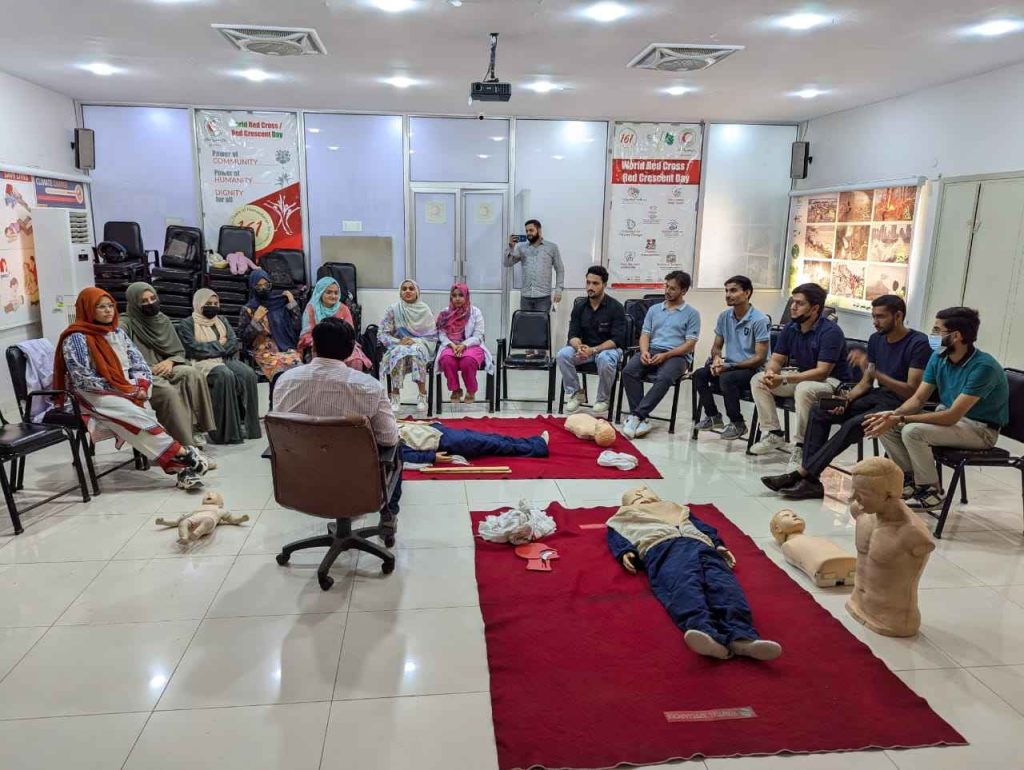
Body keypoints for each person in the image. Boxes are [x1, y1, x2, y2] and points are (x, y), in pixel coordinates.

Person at [761, 295, 931, 499]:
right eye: (873, 317)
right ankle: (810, 481)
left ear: (898, 316)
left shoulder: (918, 343)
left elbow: (911, 391)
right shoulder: (877, 339)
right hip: (878, 396)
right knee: (820, 409)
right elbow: (866, 382)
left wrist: (877, 374)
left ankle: (803, 474)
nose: (875, 322)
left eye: (881, 317)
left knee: (853, 425)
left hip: (902, 404)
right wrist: (847, 399)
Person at [53, 288, 211, 489]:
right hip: (92, 394)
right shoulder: (76, 338)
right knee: (134, 416)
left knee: (135, 418)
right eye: (101, 307)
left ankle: (182, 465)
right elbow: (83, 379)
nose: (108, 311)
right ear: (87, 309)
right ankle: (183, 455)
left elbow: (139, 363)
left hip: (125, 388)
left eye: (110, 306)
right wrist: (126, 391)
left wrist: (141, 384)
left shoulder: (117, 332)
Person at [863, 306, 1009, 511]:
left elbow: (952, 416)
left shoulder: (983, 367)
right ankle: (910, 481)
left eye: (936, 330)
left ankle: (931, 492)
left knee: (913, 431)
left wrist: (903, 419)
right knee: (884, 422)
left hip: (980, 429)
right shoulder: (939, 357)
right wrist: (893, 415)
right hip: (950, 420)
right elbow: (919, 398)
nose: (931, 335)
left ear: (956, 336)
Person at [273, 317, 402, 525]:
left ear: (313, 346)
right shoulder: (368, 387)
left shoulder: (285, 381)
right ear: (352, 350)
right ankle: (388, 515)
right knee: (397, 445)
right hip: (356, 484)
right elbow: (388, 439)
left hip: (300, 482)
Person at [748, 283, 853, 457]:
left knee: (804, 389)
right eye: (792, 302)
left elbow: (822, 372)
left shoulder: (830, 332)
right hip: (803, 376)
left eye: (799, 303)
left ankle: (802, 446)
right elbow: (776, 359)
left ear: (815, 308)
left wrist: (784, 379)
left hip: (833, 384)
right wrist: (770, 373)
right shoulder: (791, 327)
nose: (793, 307)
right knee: (758, 380)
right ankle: (774, 433)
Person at [121, 282, 216, 448]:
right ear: (134, 303)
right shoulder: (127, 323)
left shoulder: (162, 320)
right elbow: (121, 354)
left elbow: (178, 352)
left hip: (167, 365)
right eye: (144, 301)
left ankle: (196, 428)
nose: (150, 303)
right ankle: (181, 444)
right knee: (169, 391)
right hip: (143, 373)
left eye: (153, 298)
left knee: (192, 374)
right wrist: (149, 369)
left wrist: (170, 361)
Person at [621, 271, 701, 439]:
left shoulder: (692, 314)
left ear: (684, 291)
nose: (667, 291)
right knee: (629, 371)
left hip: (678, 355)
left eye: (673, 288)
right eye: (667, 286)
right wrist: (644, 352)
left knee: (664, 377)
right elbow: (645, 335)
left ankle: (636, 416)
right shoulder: (654, 309)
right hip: (652, 350)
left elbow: (690, 344)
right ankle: (642, 419)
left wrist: (666, 356)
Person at [178, 288, 262, 445]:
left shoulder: (222, 320)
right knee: (224, 375)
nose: (213, 306)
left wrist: (214, 347)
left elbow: (232, 343)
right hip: (202, 363)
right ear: (198, 304)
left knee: (249, 373)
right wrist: (219, 345)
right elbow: (193, 349)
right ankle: (225, 433)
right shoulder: (187, 324)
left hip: (225, 358)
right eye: (208, 303)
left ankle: (251, 428)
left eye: (216, 303)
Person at [692, 275, 771, 440]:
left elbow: (760, 358)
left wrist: (729, 367)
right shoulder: (724, 316)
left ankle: (737, 423)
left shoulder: (759, 320)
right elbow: (717, 346)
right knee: (699, 374)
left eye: (733, 290)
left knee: (727, 378)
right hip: (730, 365)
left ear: (747, 293)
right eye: (727, 290)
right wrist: (716, 360)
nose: (728, 295)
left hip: (753, 369)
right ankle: (713, 416)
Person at [556, 266, 626, 414]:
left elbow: (617, 340)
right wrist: (580, 347)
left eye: (595, 283)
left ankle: (603, 399)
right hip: (586, 349)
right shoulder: (580, 306)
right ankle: (577, 393)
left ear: (604, 285)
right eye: (588, 283)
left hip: (608, 350)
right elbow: (573, 335)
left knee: (605, 359)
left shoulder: (616, 307)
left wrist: (593, 350)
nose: (590, 287)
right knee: (563, 354)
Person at [380, 279, 436, 413]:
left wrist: (416, 341)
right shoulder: (394, 309)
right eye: (404, 289)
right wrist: (398, 342)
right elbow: (382, 333)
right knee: (398, 353)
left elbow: (432, 335)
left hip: (420, 344)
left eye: (411, 288)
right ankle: (395, 396)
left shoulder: (424, 310)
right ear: (400, 292)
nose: (408, 291)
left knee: (417, 352)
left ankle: (422, 395)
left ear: (417, 292)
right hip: (399, 344)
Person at [238, 268, 302, 380]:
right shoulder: (248, 309)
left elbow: (297, 326)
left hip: (286, 347)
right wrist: (255, 320)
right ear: (253, 288)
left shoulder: (279, 303)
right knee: (279, 373)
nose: (263, 288)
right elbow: (244, 338)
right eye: (259, 286)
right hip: (264, 351)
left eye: (266, 285)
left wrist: (292, 303)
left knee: (299, 370)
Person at [296, 276, 372, 371]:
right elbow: (306, 335)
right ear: (320, 292)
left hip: (342, 345)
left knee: (356, 359)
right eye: (329, 292)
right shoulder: (312, 308)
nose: (333, 296)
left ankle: (351, 384)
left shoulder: (343, 308)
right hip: (320, 345)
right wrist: (325, 341)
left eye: (336, 293)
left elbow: (349, 332)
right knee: (323, 359)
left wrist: (338, 342)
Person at [435, 283, 493, 404]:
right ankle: (455, 389)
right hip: (451, 345)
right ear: (451, 297)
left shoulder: (475, 312)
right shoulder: (445, 313)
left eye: (461, 295)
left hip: (471, 345)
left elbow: (478, 335)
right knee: (446, 359)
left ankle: (471, 390)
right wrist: (452, 345)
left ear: (466, 296)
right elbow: (441, 334)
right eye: (454, 295)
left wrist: (464, 345)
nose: (457, 298)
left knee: (467, 361)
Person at [398, 420, 549, 464]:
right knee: (491, 443)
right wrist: (432, 457)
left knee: (491, 439)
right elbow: (402, 454)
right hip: (441, 442)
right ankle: (537, 448)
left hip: (436, 432)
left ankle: (532, 442)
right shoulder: (382, 441)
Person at [504, 219, 564, 313]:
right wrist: (510, 247)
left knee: (541, 326)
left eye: (531, 230)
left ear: (539, 230)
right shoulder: (521, 248)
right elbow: (507, 263)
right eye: (527, 231)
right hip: (526, 297)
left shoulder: (552, 247)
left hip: (543, 297)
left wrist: (558, 290)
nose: (528, 233)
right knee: (526, 326)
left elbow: (560, 269)